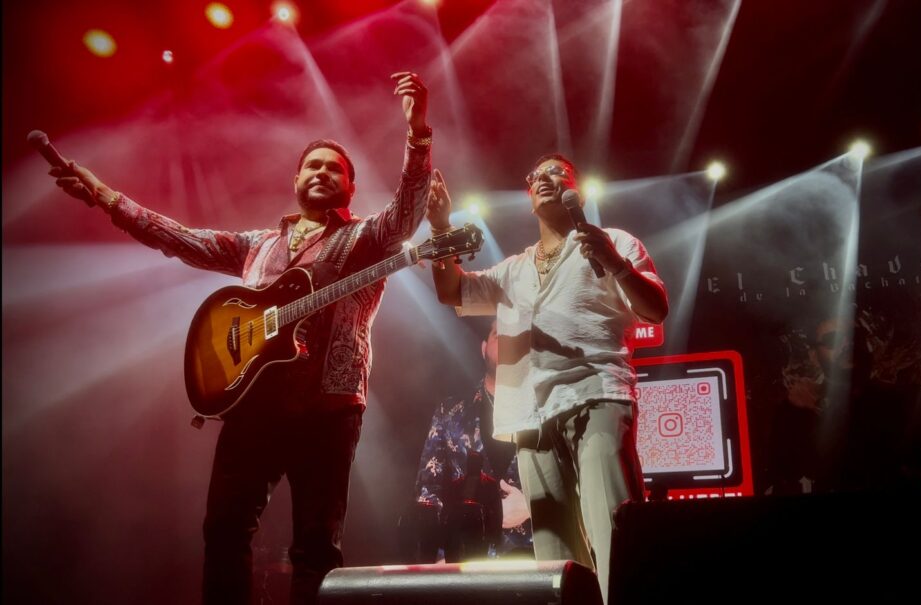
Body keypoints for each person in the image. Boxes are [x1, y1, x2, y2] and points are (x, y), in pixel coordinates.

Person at [48, 72, 433, 605]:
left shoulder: (365, 238)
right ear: (296, 180)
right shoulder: (258, 244)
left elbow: (407, 214)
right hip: (252, 404)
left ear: (350, 187)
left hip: (327, 408)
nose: (322, 172)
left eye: (334, 169)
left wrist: (417, 136)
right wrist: (106, 197)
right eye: (312, 165)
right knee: (224, 531)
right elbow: (181, 238)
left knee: (316, 547)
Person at [426, 155, 668, 603]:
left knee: (613, 525)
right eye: (536, 176)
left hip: (595, 393)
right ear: (528, 196)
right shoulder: (514, 268)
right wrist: (441, 229)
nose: (545, 179)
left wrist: (617, 265)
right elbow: (451, 291)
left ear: (578, 190)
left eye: (558, 173)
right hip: (530, 414)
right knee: (555, 555)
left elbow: (655, 308)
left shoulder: (614, 241)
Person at [768, 315, 921, 493]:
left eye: (855, 336)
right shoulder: (794, 410)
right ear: (814, 356)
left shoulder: (913, 399)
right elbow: (788, 472)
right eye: (832, 340)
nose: (848, 344)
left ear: (870, 345)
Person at [409, 320, 532, 563]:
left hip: (532, 556)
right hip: (464, 559)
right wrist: (438, 554)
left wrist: (531, 507)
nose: (507, 340)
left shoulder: (546, 411)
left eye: (514, 335)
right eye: (499, 334)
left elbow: (573, 481)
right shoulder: (450, 411)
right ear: (484, 347)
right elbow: (427, 489)